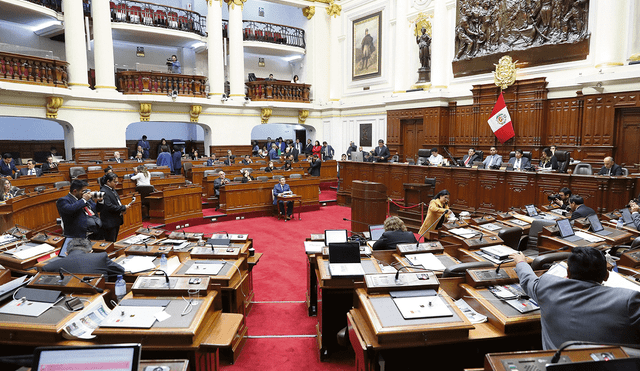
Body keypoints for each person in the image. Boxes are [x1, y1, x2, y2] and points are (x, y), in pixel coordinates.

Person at [510, 247, 640, 350]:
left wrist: (521, 262)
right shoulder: (628, 300)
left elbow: (528, 280)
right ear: (606, 276)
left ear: (568, 273)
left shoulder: (547, 285)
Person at [56, 180, 103, 256]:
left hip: (91, 234)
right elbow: (70, 209)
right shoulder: (63, 200)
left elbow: (95, 209)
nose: (85, 193)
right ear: (75, 191)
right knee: (78, 257)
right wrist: (83, 200)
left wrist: (100, 201)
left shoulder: (84, 199)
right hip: (76, 236)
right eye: (83, 191)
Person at [43, 238, 125, 281]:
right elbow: (120, 271)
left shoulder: (50, 267)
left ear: (66, 253)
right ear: (91, 252)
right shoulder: (100, 257)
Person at [100, 173, 130, 242]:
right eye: (115, 182)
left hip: (115, 220)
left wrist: (122, 209)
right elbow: (109, 206)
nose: (116, 183)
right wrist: (123, 207)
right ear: (108, 181)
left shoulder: (112, 189)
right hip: (109, 222)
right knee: (110, 242)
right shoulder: (104, 191)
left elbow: (117, 202)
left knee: (114, 240)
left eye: (117, 182)